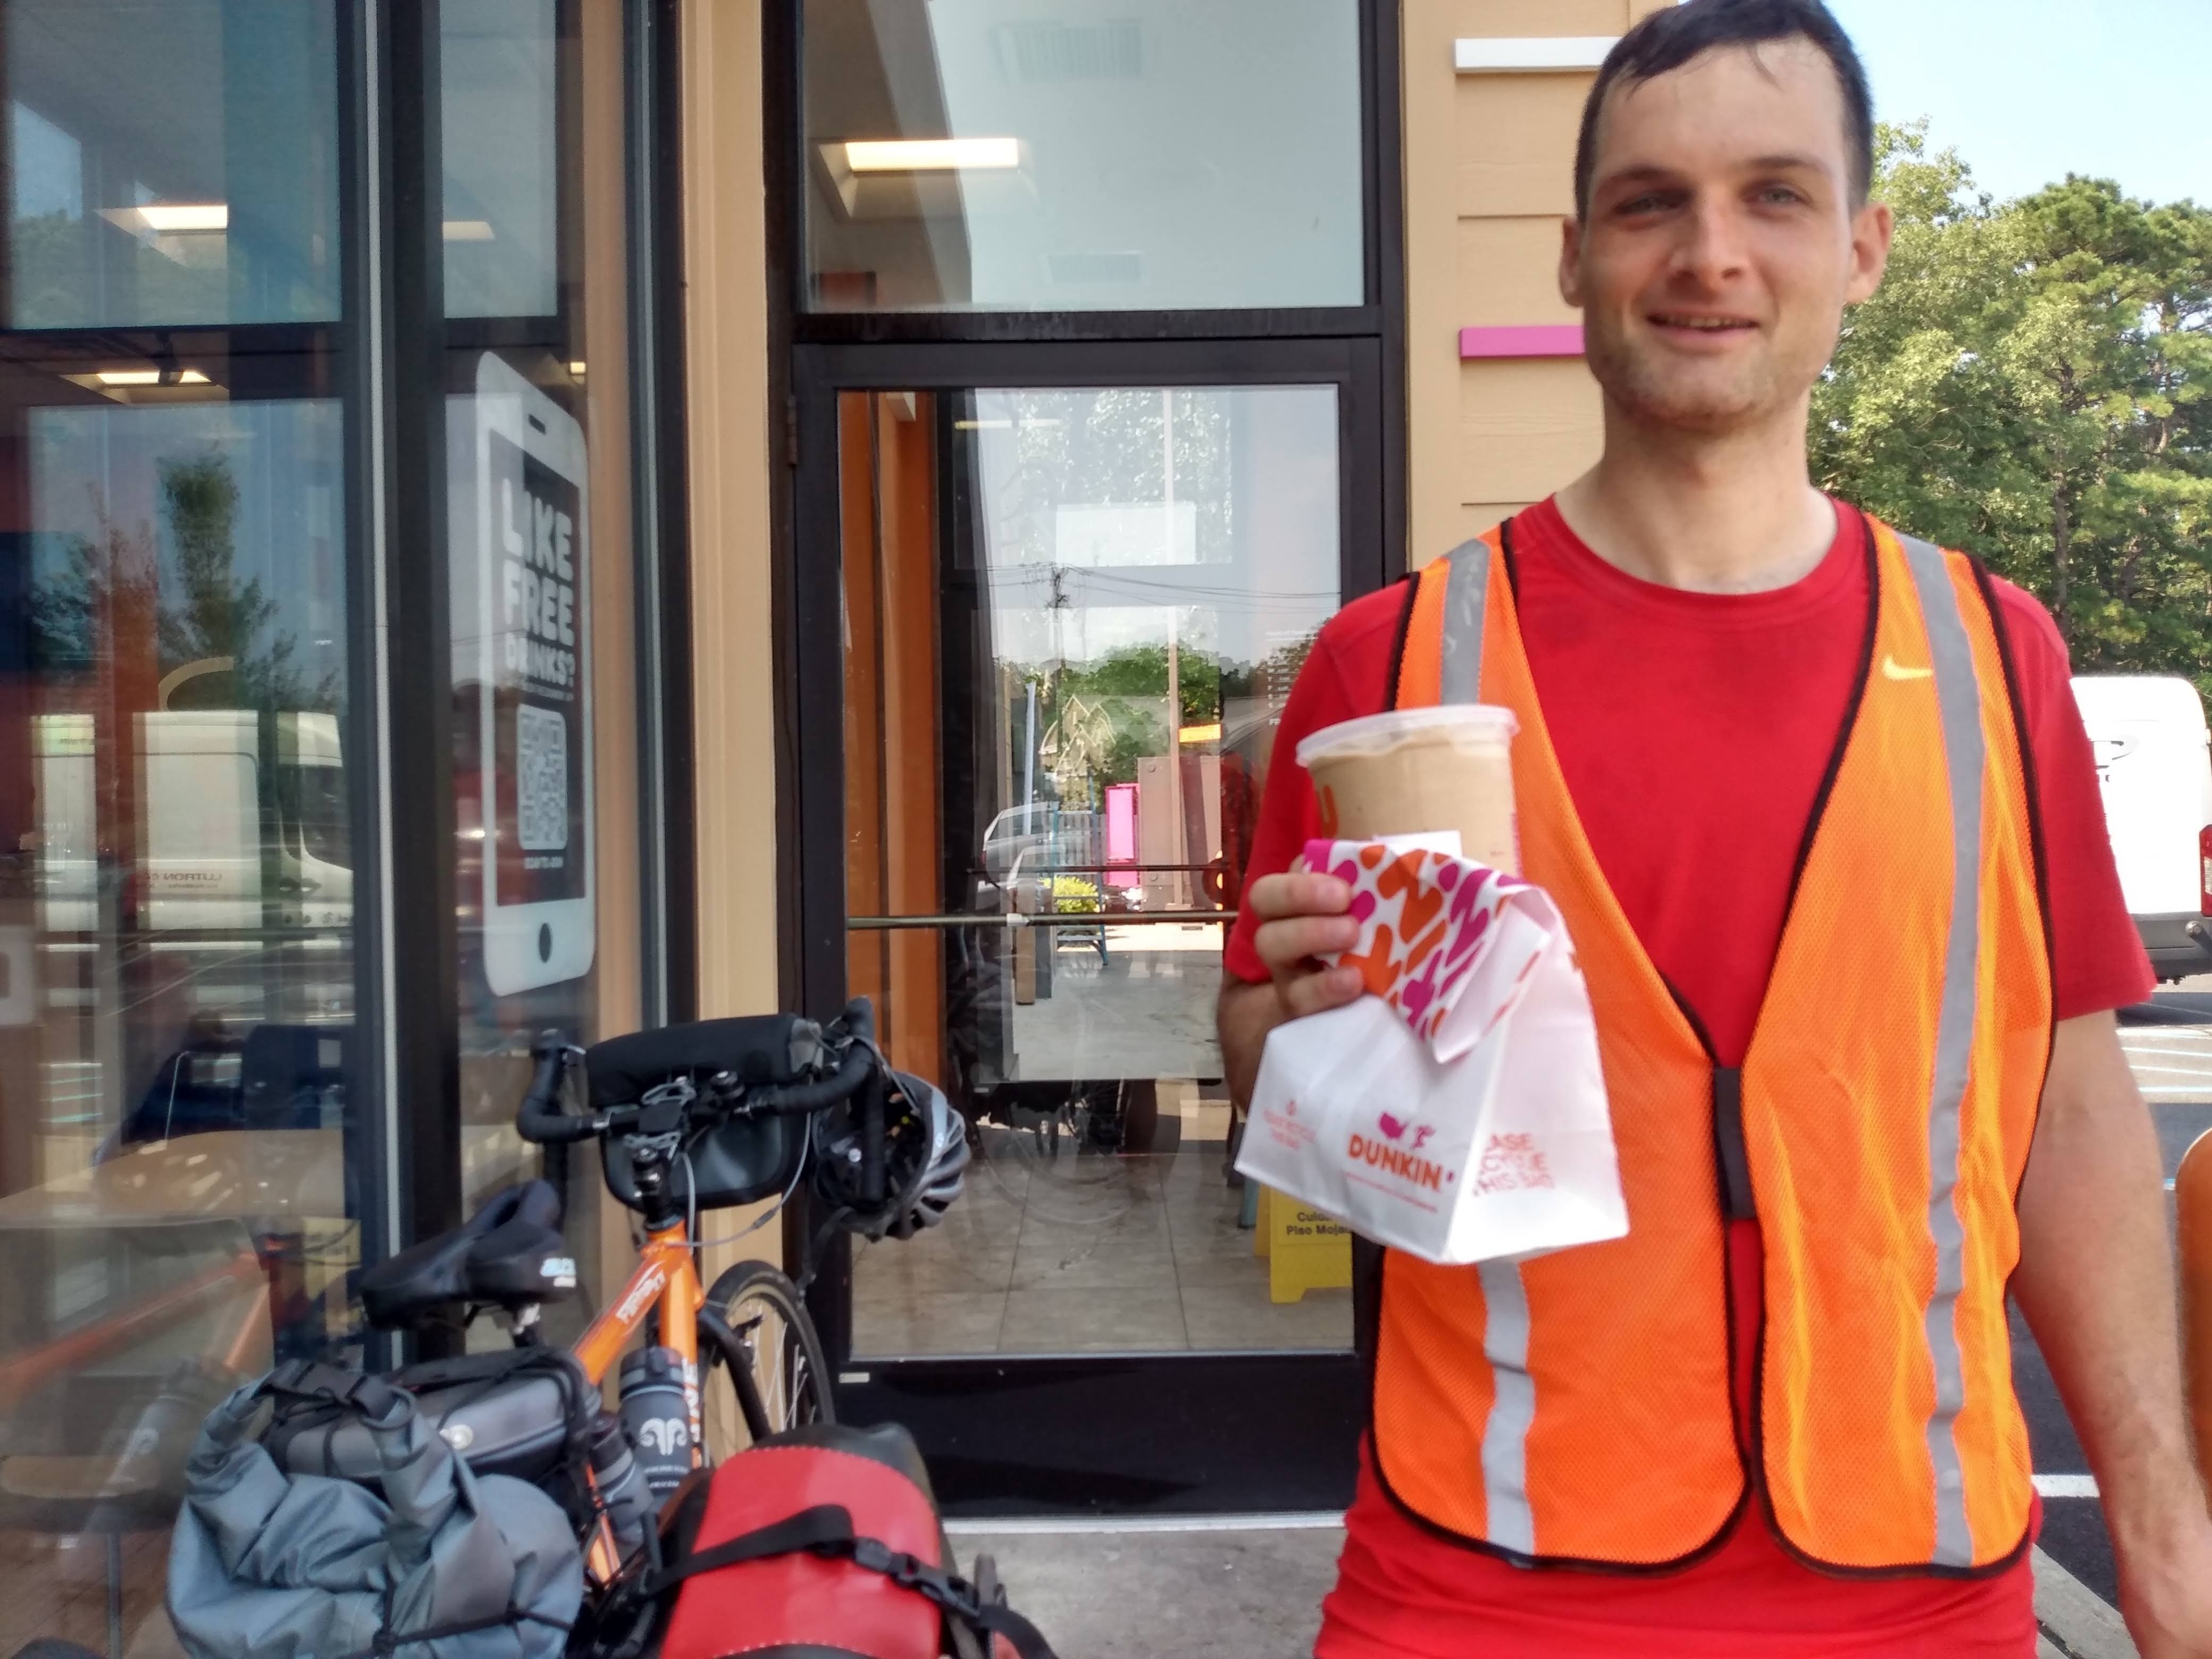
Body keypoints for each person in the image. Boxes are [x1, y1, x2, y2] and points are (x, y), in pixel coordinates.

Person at [1215, 2, 2212, 1655]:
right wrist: (1273, 1026)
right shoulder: (1386, 669)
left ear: (1866, 247)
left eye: (1775, 194)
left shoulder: (1992, 657)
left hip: (1914, 1585)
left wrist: (2170, 1559)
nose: (1710, 254)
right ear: (1571, 256)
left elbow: (2071, 1120)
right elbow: (1291, 1078)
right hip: (1480, 1589)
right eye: (1650, 201)